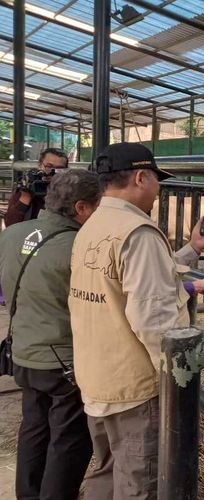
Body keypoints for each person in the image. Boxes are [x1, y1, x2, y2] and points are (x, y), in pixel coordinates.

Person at [68, 143, 204, 500]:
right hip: (134, 388)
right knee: (142, 484)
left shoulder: (93, 226)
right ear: (140, 177)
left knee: (106, 474)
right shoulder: (139, 233)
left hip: (97, 379)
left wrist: (192, 247)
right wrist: (177, 382)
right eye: (156, 181)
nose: (158, 190)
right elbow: (154, 320)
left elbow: (129, 283)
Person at [0, 169, 100, 500]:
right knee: (68, 441)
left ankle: (27, 495)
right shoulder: (81, 247)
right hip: (64, 362)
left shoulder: (12, 235)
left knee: (34, 428)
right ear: (82, 208)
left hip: (24, 353)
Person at [4, 147, 70, 227]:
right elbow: (10, 224)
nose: (53, 172)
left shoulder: (70, 191)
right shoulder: (29, 186)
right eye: (49, 167)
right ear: (39, 165)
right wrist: (26, 197)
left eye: (59, 169)